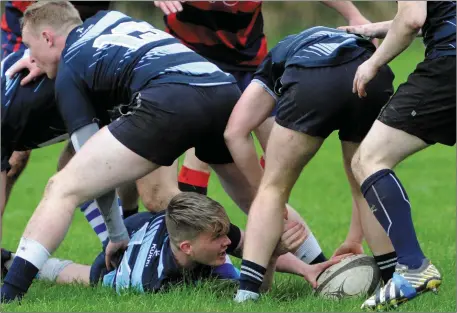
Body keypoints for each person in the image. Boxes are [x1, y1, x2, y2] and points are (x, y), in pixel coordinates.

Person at [0, 1, 258, 302]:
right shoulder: (96, 25)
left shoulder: (61, 65)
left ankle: (10, 294)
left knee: (131, 193)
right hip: (203, 83)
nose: (29, 57)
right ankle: (308, 264)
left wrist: (117, 233)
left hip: (158, 96)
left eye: (31, 48)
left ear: (46, 38)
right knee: (262, 198)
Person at [223, 26, 396, 303]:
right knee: (366, 181)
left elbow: (235, 132)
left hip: (313, 77)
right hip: (370, 72)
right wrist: (353, 239)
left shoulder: (277, 55)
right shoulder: (350, 39)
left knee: (273, 189)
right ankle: (395, 283)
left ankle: (247, 295)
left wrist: (262, 194)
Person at [154, 0, 377, 196]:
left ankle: (269, 218)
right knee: (205, 151)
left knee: (280, 158)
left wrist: (352, 14)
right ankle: (194, 232)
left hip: (249, 66)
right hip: (192, 62)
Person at [337, 1, 455, 309]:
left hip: (449, 66)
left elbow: (413, 19)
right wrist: (379, 28)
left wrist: (373, 63)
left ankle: (413, 268)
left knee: (369, 159)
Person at [1, 193, 343, 297]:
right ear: (188, 249)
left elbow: (249, 251)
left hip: (143, 226)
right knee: (79, 276)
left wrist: (303, 268)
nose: (229, 241)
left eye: (225, 232)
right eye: (218, 238)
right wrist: (270, 257)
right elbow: (254, 289)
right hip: (118, 265)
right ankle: (11, 262)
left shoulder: (204, 234)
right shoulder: (157, 283)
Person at [0, 47, 125, 244]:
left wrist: (34, 51)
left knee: (157, 195)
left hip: (136, 86)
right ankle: (126, 250)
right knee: (73, 165)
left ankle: (131, 249)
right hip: (110, 90)